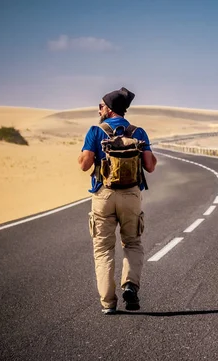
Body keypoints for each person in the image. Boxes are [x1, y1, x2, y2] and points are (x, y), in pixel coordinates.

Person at [78, 87, 157, 314]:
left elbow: (84, 165)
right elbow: (150, 167)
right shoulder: (138, 132)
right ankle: (130, 285)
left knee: (103, 249)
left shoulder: (95, 131)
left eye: (101, 106)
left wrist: (83, 155)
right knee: (132, 243)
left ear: (109, 109)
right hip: (131, 195)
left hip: (103, 195)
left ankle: (108, 303)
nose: (99, 109)